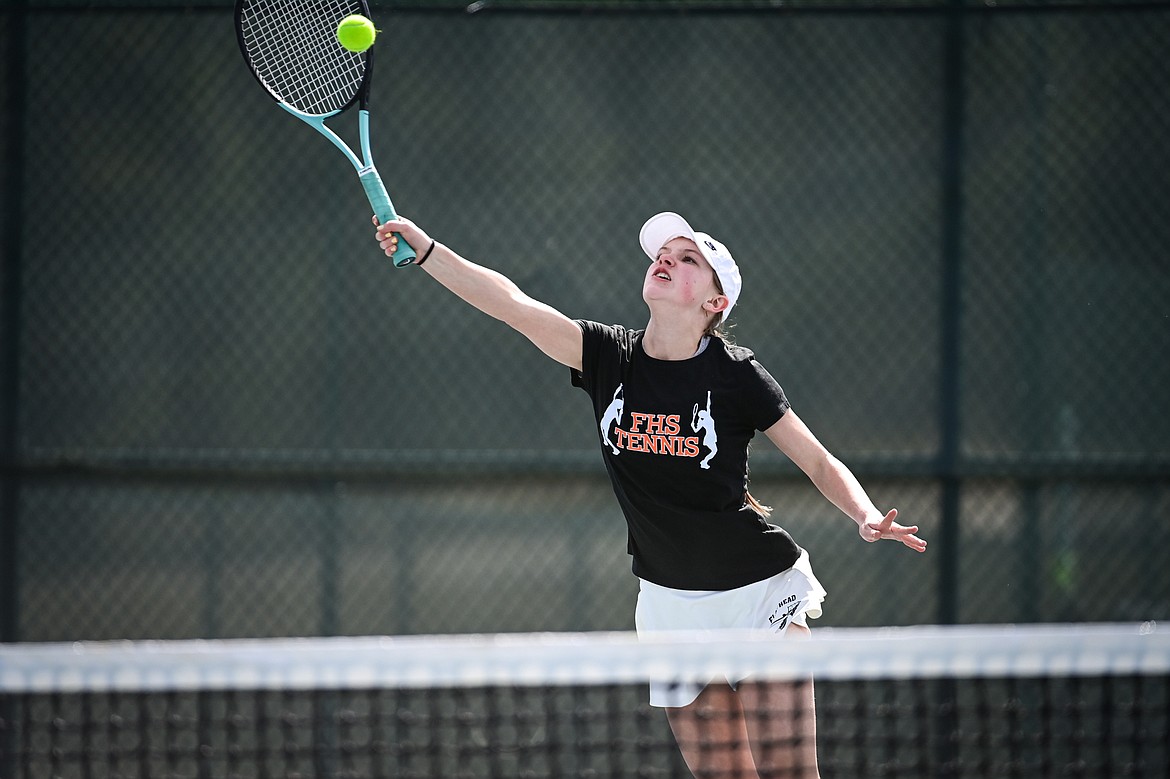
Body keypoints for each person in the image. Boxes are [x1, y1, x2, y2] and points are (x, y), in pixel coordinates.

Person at [373, 212, 927, 779]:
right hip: (669, 607)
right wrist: (427, 251)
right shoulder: (608, 357)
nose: (667, 259)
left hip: (759, 595)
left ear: (715, 303)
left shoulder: (738, 376)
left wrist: (863, 515)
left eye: (689, 260)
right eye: (665, 252)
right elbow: (513, 306)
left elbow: (817, 458)